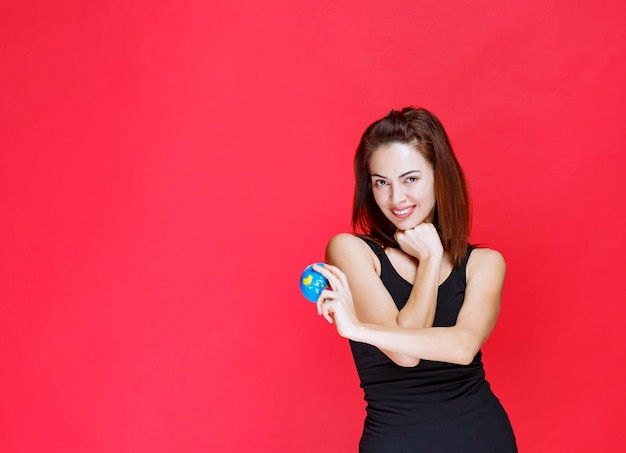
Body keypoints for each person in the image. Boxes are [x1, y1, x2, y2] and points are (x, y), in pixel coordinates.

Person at [313, 107, 517, 452]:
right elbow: (403, 354)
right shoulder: (351, 251)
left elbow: (463, 347)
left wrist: (356, 330)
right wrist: (428, 261)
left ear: (439, 176)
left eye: (410, 179)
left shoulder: (484, 263)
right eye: (382, 183)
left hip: (481, 436)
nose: (396, 199)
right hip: (396, 439)